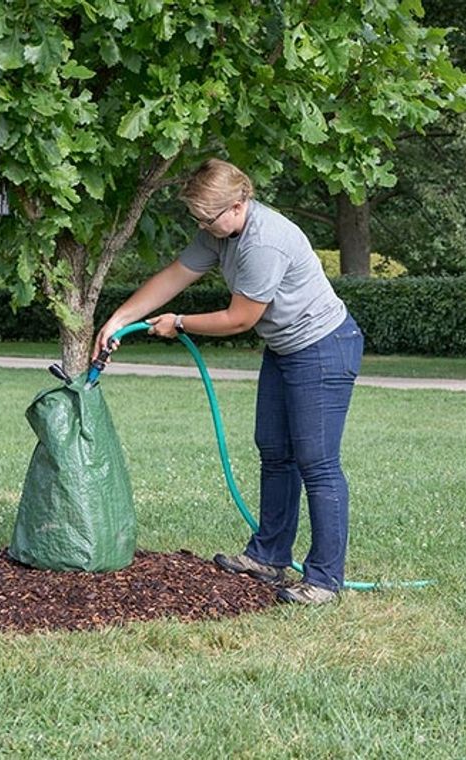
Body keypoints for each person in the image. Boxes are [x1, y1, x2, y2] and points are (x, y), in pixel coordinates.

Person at [93, 158, 363, 605]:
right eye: (197, 217)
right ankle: (270, 557)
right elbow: (175, 275)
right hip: (285, 349)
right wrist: (119, 318)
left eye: (208, 217)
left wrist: (179, 323)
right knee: (274, 452)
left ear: (240, 203)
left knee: (316, 461)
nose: (203, 225)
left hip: (323, 347)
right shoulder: (221, 231)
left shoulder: (264, 242)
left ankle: (325, 580)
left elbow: (240, 319)